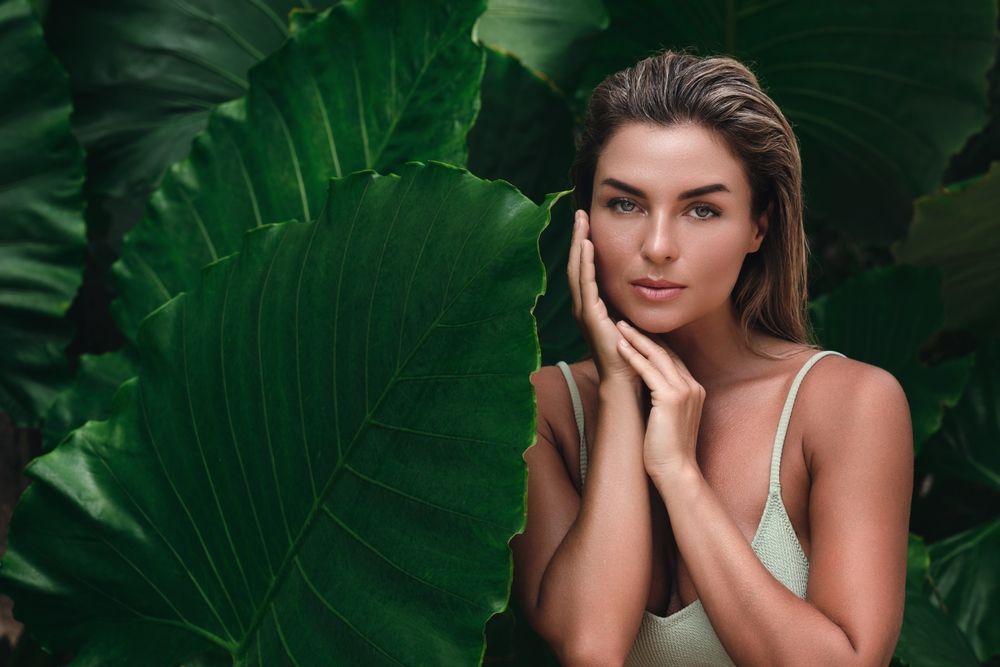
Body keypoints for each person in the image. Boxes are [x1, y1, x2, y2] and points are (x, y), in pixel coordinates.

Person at [511, 50, 913, 666]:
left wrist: (678, 473)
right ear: (584, 220)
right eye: (626, 204)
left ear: (758, 227)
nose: (658, 246)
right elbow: (591, 647)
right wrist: (620, 392)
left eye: (702, 210)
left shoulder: (847, 404)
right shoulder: (541, 409)